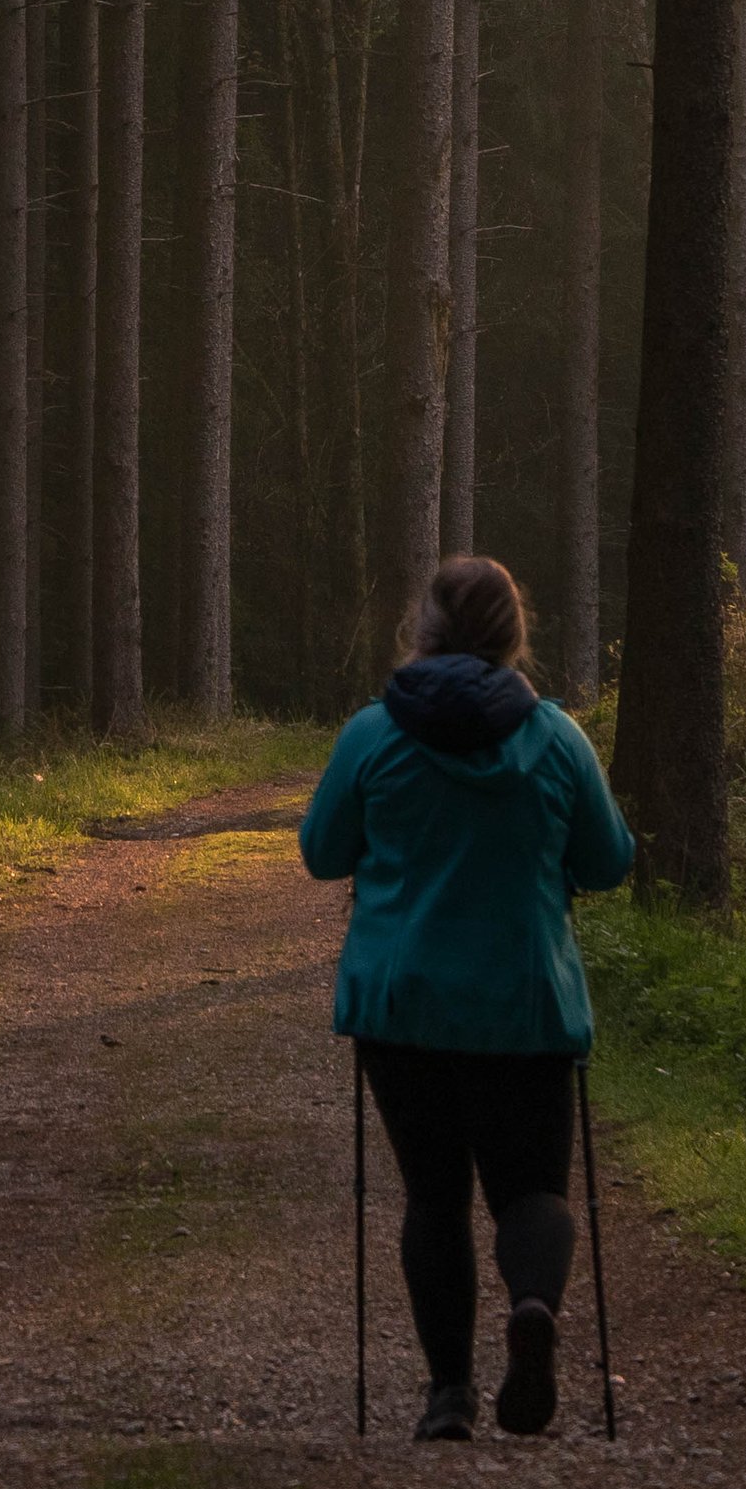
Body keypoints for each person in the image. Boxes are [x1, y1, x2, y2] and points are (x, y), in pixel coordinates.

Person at [299, 554, 635, 1441]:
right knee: (530, 1190)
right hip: (525, 1007)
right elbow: (608, 862)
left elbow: (323, 851)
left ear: (427, 629)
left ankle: (448, 1393)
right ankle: (532, 1305)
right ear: (512, 634)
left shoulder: (372, 734)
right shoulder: (557, 737)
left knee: (433, 1197)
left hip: (405, 1009)